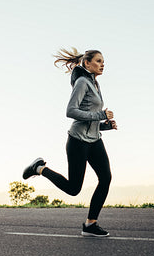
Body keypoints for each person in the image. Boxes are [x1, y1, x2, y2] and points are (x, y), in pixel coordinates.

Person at [22, 48, 117, 237]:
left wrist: (105, 125)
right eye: (98, 61)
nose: (102, 64)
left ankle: (90, 224)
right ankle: (39, 168)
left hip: (94, 140)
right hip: (78, 141)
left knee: (105, 178)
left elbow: (90, 118)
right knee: (74, 189)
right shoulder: (82, 82)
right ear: (87, 63)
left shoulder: (95, 84)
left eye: (103, 61)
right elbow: (71, 111)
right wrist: (100, 115)